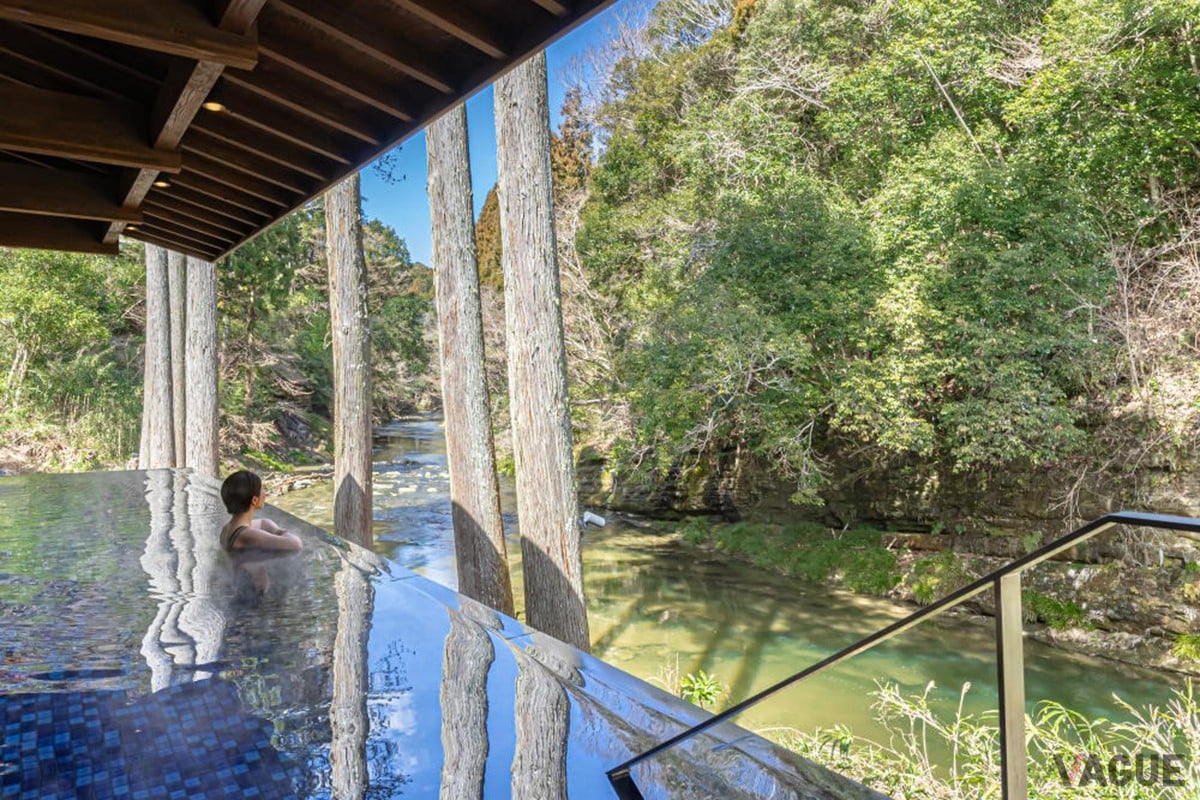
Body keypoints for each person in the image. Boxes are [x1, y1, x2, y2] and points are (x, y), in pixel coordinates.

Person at [219, 470, 303, 551]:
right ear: (254, 500)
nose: (265, 494)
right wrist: (281, 532)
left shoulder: (227, 528)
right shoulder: (246, 535)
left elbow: (262, 523)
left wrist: (276, 530)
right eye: (262, 489)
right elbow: (296, 544)